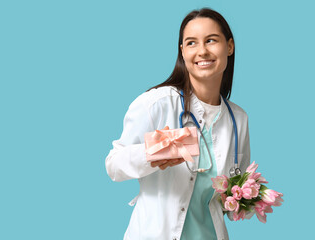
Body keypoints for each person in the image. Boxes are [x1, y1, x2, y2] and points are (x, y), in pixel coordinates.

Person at [105, 8, 250, 240]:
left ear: (229, 47)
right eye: (191, 43)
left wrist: (247, 196)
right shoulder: (157, 103)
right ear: (182, 51)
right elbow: (113, 165)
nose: (202, 51)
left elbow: (231, 194)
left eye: (211, 40)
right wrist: (152, 153)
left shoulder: (238, 119)